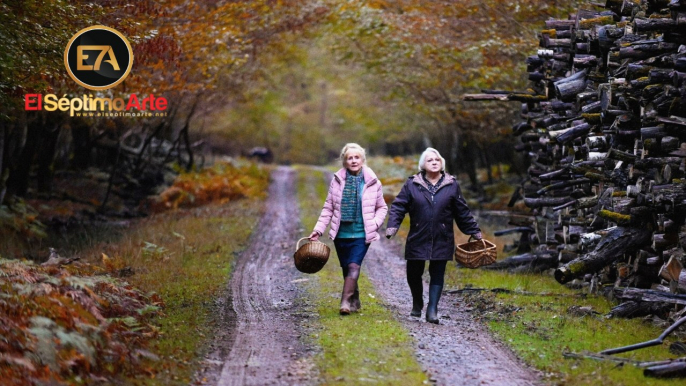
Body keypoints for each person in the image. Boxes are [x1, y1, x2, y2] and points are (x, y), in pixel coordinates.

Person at [386, 147, 482, 324]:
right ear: (423, 164)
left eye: (437, 159)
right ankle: (417, 302)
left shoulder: (451, 184)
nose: (434, 162)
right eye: (430, 160)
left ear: (442, 163)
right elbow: (399, 206)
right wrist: (393, 226)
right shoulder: (412, 184)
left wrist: (474, 231)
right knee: (413, 272)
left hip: (442, 236)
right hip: (418, 234)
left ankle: (432, 309)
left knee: (437, 272)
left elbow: (462, 211)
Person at [309, 143, 388, 315]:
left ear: (362, 160)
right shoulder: (337, 181)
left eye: (356, 157)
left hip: (362, 233)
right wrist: (318, 230)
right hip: (341, 233)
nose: (353, 161)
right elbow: (328, 207)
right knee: (346, 267)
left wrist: (374, 224)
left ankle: (344, 301)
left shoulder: (372, 182)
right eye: (349, 158)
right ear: (344, 161)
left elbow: (382, 207)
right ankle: (355, 298)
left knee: (354, 266)